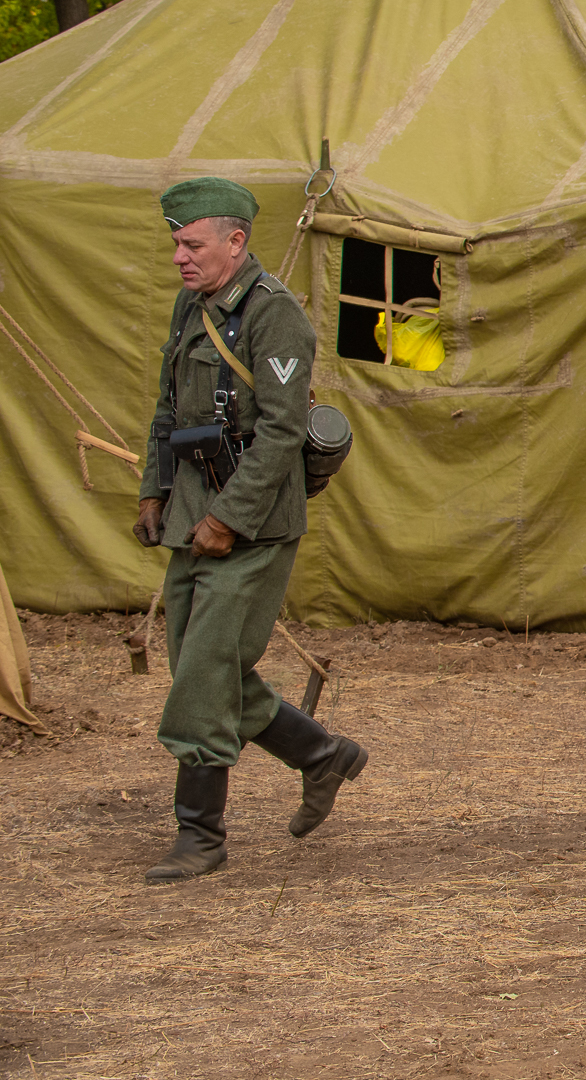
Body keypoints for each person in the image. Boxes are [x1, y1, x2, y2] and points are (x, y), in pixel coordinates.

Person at [133, 179, 367, 884]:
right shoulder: (189, 307)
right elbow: (167, 408)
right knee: (202, 665)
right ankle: (321, 753)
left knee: (205, 673)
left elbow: (281, 433)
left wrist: (228, 519)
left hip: (254, 522)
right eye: (176, 242)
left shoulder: (276, 317)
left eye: (191, 242)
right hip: (190, 512)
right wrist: (153, 488)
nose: (179, 255)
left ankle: (200, 834)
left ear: (235, 242)